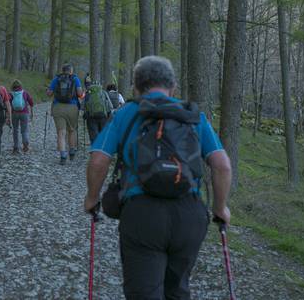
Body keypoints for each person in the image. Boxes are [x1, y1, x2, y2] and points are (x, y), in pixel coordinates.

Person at [84, 56, 232, 300]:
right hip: (189, 214)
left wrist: (91, 199)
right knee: (178, 290)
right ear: (172, 86)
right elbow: (222, 166)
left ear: (136, 86)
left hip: (142, 214)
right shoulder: (192, 115)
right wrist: (220, 208)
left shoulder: (127, 113)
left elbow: (99, 160)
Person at [46, 64, 84, 164]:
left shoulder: (56, 79)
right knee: (72, 130)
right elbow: (80, 94)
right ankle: (71, 151)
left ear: (62, 71)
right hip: (72, 107)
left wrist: (49, 90)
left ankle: (63, 156)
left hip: (58, 107)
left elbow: (49, 93)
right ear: (71, 71)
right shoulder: (75, 79)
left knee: (61, 132)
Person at [10, 79, 35, 154]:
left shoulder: (11, 94)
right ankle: (25, 145)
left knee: (15, 130)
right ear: (20, 86)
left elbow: (7, 103)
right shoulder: (25, 92)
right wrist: (31, 110)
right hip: (24, 113)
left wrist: (7, 115)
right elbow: (31, 102)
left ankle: (16, 147)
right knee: (24, 130)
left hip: (14, 113)